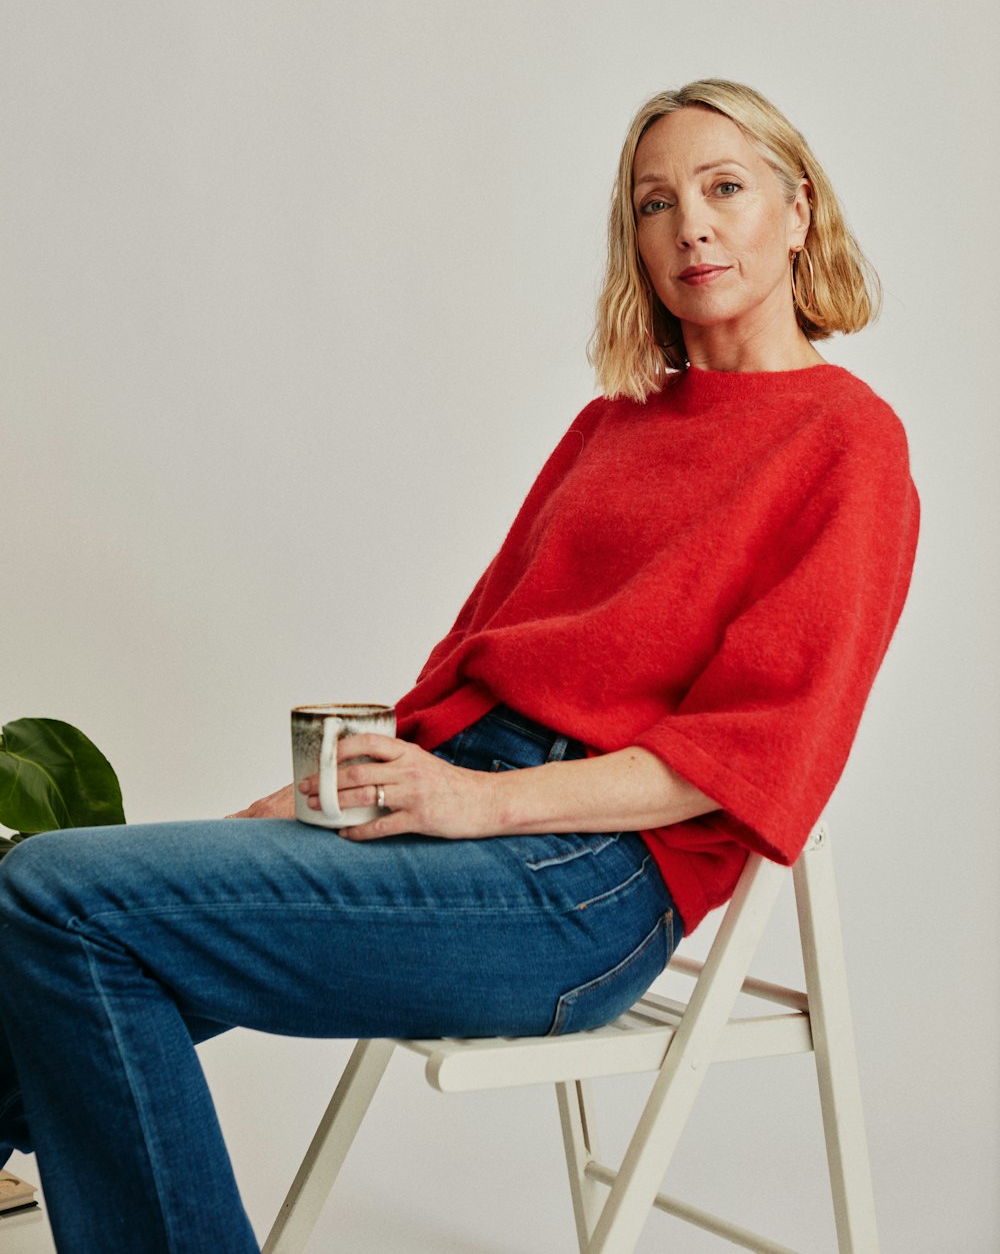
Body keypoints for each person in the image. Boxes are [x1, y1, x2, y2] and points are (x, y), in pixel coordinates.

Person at [0, 80, 919, 1252]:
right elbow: (471, 655)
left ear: (796, 213)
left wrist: (480, 802)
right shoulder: (612, 426)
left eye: (723, 188)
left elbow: (753, 758)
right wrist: (331, 792)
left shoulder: (846, 442)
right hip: (447, 809)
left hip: (579, 879)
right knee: (48, 896)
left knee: (60, 898)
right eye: (653, 203)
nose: (688, 223)